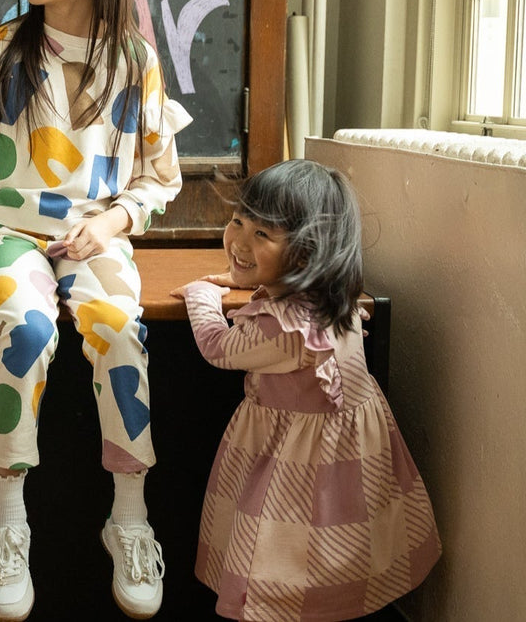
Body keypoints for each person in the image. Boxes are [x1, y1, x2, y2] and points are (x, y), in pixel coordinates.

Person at [0, 0, 191, 621]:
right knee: (29, 330)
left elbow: (159, 177)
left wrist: (112, 223)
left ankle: (129, 515)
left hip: (95, 236)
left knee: (117, 329)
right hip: (11, 233)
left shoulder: (135, 61)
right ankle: (7, 515)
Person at [170, 159, 441, 621]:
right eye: (238, 220)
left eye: (263, 235)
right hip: (349, 457)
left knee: (282, 561)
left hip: (296, 461)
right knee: (341, 552)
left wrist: (201, 295)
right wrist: (244, 281)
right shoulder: (337, 300)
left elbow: (218, 348)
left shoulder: (285, 332)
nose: (238, 240)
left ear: (305, 253)